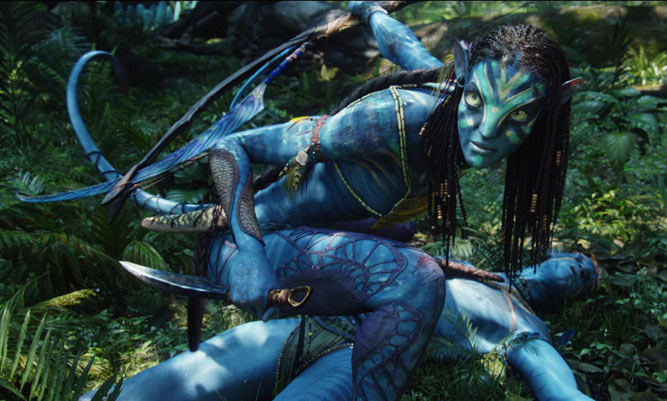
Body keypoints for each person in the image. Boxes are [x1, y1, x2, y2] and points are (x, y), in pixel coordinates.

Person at [20, 2, 582, 399]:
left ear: (550, 113)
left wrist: (369, 11)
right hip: (251, 245)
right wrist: (249, 254)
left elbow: (405, 46)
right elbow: (232, 146)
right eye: (478, 104)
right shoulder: (390, 121)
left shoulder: (452, 94)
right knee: (415, 279)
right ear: (465, 77)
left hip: (316, 248)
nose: (488, 132)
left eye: (517, 118)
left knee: (404, 242)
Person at [80, 227, 598, 401]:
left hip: (360, 360)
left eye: (583, 279)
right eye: (576, 262)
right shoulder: (472, 270)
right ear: (547, 255)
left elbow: (557, 386)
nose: (574, 271)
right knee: (168, 383)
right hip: (311, 324)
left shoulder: (528, 327)